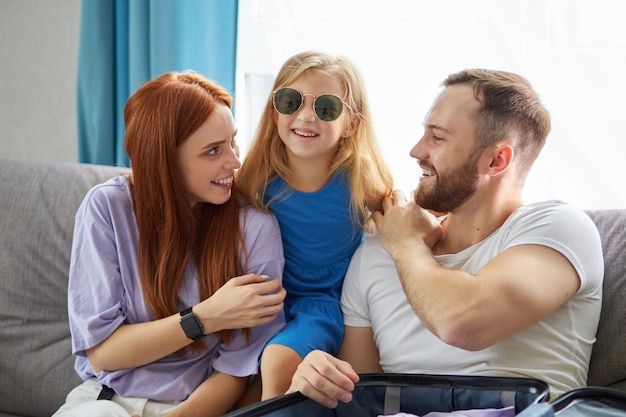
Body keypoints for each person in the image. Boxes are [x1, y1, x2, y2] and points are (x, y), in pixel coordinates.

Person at [287, 68, 604, 408]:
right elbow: (361, 397)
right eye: (424, 133)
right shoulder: (375, 254)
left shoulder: (559, 228)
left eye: (437, 138)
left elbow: (463, 324)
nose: (415, 151)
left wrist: (407, 245)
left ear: (497, 160)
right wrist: (318, 376)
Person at [52, 71, 286, 417]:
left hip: (192, 408)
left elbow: (237, 369)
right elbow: (103, 351)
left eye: (233, 141)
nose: (235, 161)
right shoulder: (106, 209)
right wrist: (206, 317)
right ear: (164, 160)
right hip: (104, 401)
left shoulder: (255, 229)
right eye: (213, 151)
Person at [236, 50, 394, 401]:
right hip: (266, 298)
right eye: (291, 101)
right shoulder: (258, 175)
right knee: (240, 390)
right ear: (275, 110)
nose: (305, 116)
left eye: (326, 108)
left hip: (319, 304)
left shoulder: (357, 179)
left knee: (278, 363)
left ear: (351, 123)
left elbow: (399, 217)